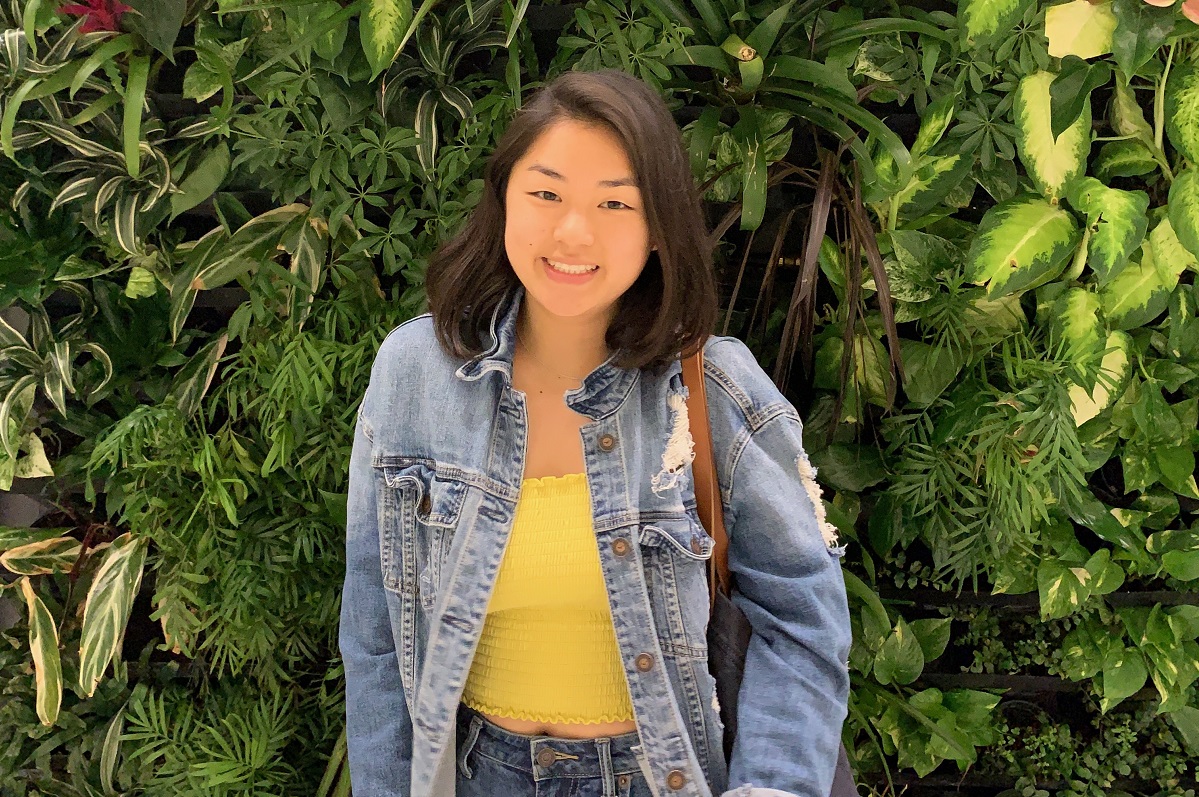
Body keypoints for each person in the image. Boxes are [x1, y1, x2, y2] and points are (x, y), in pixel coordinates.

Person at [340, 68, 851, 797]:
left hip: (660, 775)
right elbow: (376, 636)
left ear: (658, 229)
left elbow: (800, 618)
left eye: (615, 203)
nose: (573, 232)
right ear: (503, 199)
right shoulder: (415, 374)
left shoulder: (712, 387)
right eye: (545, 194)